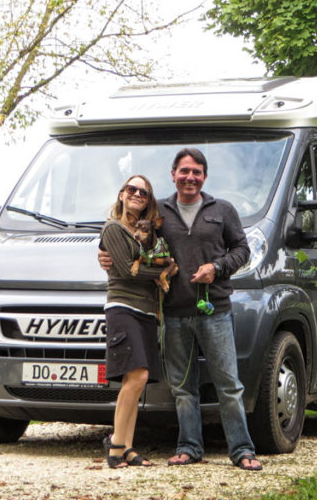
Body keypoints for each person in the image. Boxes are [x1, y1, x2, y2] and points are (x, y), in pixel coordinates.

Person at [99, 148, 262, 471]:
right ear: (173, 175)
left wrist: (217, 267)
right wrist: (104, 254)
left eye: (196, 172)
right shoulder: (159, 212)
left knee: (229, 386)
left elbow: (242, 249)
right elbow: (133, 240)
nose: (190, 177)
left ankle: (242, 450)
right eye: (184, 171)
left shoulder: (222, 210)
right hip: (173, 313)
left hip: (215, 311)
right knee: (183, 388)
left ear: (204, 177)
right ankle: (189, 447)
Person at [99, 174, 168, 468]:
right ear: (121, 194)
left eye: (144, 192)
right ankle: (115, 443)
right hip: (123, 307)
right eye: (132, 189)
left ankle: (127, 447)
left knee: (135, 382)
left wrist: (164, 267)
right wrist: (165, 272)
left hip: (147, 311)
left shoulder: (149, 234)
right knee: (137, 376)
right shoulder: (113, 228)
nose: (137, 194)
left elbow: (156, 259)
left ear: (149, 201)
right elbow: (128, 271)